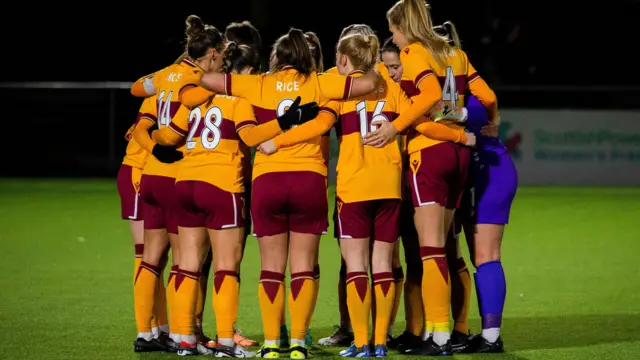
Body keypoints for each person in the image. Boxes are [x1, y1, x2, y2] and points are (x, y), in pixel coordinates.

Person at [257, 33, 475, 358]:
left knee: (357, 266)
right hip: (388, 186)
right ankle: (380, 343)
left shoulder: (339, 91)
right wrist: (460, 136)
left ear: (344, 60)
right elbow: (422, 124)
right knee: (383, 265)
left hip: (354, 187)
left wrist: (277, 142)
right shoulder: (389, 85)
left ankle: (360, 342)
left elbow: (316, 126)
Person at [198, 27, 380, 360]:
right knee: (303, 269)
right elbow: (369, 83)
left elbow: (207, 82)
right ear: (307, 58)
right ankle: (297, 342)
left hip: (269, 181)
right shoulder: (321, 82)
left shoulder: (261, 83)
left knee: (271, 269)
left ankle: (270, 344)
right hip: (308, 180)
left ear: (276, 58)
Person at [150, 41, 319, 357]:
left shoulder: (194, 101)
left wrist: (149, 140)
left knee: (186, 266)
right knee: (226, 267)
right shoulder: (238, 101)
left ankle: (184, 339)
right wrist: (286, 120)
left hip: (185, 183)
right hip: (221, 185)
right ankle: (226, 342)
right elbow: (253, 138)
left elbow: (168, 136)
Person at [363, 0, 495, 355]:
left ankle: (437, 336)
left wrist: (396, 126)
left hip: (429, 154)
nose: (392, 36)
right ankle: (452, 331)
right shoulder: (455, 54)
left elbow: (429, 97)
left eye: (392, 29)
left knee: (431, 250)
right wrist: (475, 124)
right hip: (459, 156)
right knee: (447, 249)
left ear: (402, 26)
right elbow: (488, 97)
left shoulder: (414, 52)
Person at [131, 15, 227, 355]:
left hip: (152, 171)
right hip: (179, 173)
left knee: (149, 258)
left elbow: (135, 90)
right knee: (186, 262)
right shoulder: (200, 81)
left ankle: (146, 333)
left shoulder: (165, 76)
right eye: (223, 53)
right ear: (212, 54)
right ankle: (184, 335)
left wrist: (153, 147)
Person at [459, 95, 517, 353]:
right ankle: (486, 333)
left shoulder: (468, 94)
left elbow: (478, 113)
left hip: (490, 173)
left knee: (487, 256)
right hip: (475, 173)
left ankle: (492, 336)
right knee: (477, 256)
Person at [121, 98, 170, 352]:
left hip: (148, 173)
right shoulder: (163, 97)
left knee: (156, 258)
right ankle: (147, 329)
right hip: (138, 173)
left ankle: (161, 327)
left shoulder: (162, 95)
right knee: (145, 255)